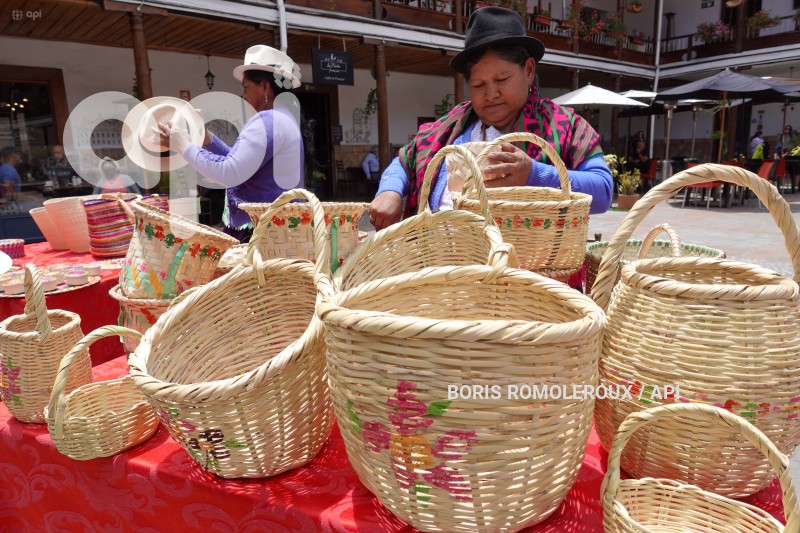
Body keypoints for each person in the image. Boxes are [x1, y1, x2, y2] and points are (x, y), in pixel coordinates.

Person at [369, 7, 612, 232]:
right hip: (444, 267)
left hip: (531, 273)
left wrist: (534, 174)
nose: (491, 94)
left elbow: (602, 190)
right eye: (478, 85)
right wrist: (389, 190)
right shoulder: (451, 127)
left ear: (528, 71)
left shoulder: (564, 125)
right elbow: (405, 160)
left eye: (502, 80)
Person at [159, 45, 304, 242]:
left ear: (265, 87)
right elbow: (241, 165)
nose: (243, 95)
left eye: (246, 87)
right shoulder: (281, 119)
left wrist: (184, 146)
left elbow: (230, 172)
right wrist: (207, 139)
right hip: (276, 229)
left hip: (262, 234)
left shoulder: (268, 121)